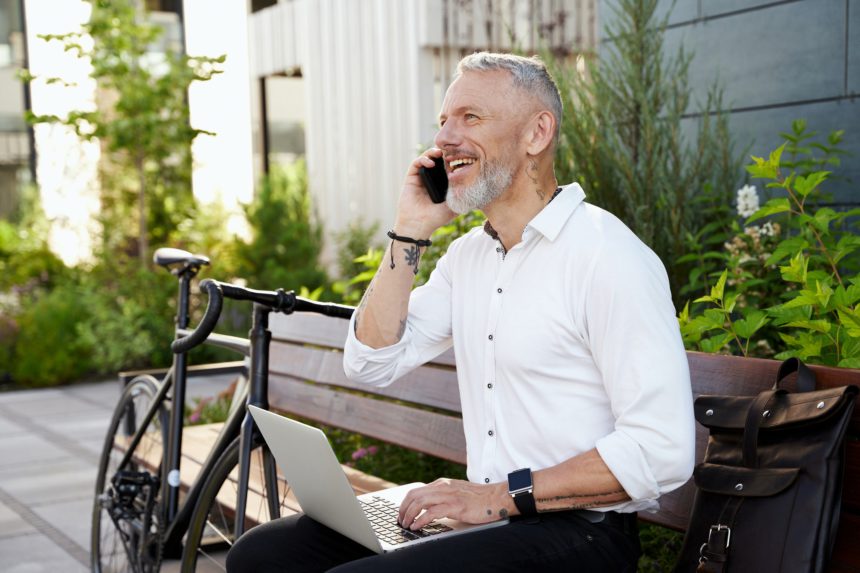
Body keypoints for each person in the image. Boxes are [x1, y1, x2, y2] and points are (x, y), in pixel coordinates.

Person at [226, 51, 694, 573]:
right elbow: (371, 362)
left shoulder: (608, 257)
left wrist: (496, 496)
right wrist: (411, 229)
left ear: (536, 134)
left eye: (470, 118)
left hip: (582, 535)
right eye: (443, 122)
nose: (445, 138)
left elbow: (662, 448)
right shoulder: (470, 258)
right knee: (261, 557)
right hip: (490, 522)